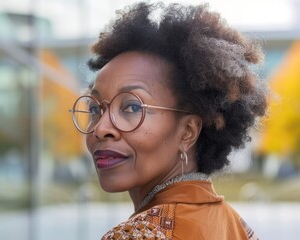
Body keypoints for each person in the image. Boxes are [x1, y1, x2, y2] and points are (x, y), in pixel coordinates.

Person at [70, 1, 267, 239]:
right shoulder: (236, 226)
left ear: (187, 131)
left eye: (132, 106)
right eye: (95, 109)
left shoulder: (137, 235)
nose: (100, 129)